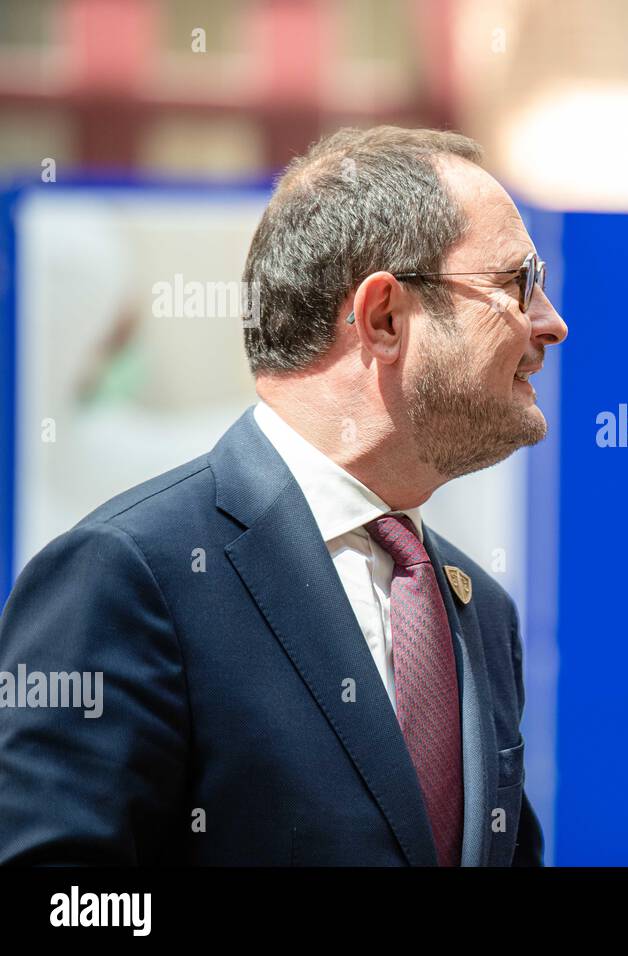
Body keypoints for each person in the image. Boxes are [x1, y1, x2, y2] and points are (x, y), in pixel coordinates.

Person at [0, 126, 566, 865]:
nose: (551, 323)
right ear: (384, 317)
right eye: (518, 284)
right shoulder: (129, 574)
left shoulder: (479, 610)